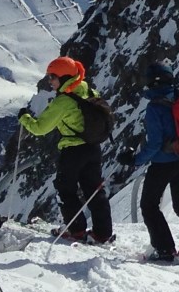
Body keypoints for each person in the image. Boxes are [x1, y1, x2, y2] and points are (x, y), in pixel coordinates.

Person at [17, 52, 113, 244]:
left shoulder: (64, 101)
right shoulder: (89, 92)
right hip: (93, 148)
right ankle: (103, 233)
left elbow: (40, 128)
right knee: (94, 190)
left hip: (73, 151)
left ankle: (76, 230)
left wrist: (24, 118)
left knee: (65, 188)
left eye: (53, 77)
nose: (50, 81)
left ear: (63, 78)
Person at [127, 62, 179, 262]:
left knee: (149, 205)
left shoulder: (155, 108)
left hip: (162, 165)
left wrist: (136, 160)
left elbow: (155, 143)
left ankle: (164, 249)